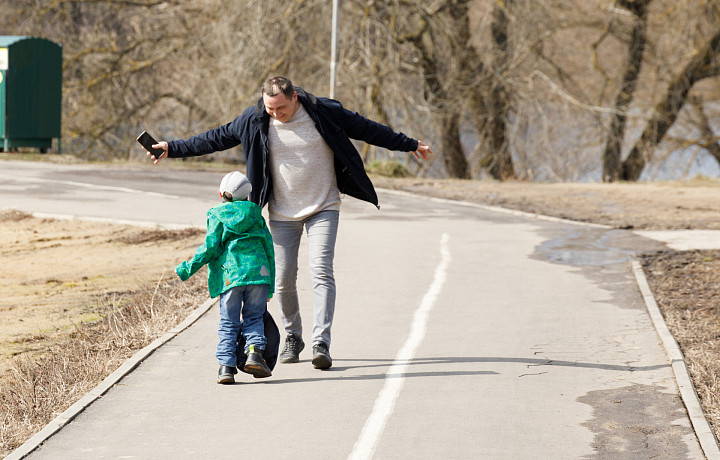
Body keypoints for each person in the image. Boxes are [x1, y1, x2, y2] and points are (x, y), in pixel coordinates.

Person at [147, 76, 432, 370]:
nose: (275, 114)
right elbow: (215, 138)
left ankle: (322, 342)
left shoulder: (323, 111)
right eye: (270, 108)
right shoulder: (254, 120)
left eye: (280, 108)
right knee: (282, 280)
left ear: (294, 97)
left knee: (321, 269)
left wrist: (408, 144)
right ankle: (293, 336)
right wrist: (173, 148)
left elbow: (366, 128)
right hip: (282, 213)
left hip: (324, 205)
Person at [175, 171, 275, 384]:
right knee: (254, 317)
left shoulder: (217, 215)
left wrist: (186, 269)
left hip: (231, 277)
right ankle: (255, 353)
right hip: (259, 274)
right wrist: (271, 286)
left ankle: (226, 368)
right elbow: (269, 248)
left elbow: (209, 248)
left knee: (229, 322)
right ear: (248, 195)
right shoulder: (256, 214)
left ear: (221, 193)